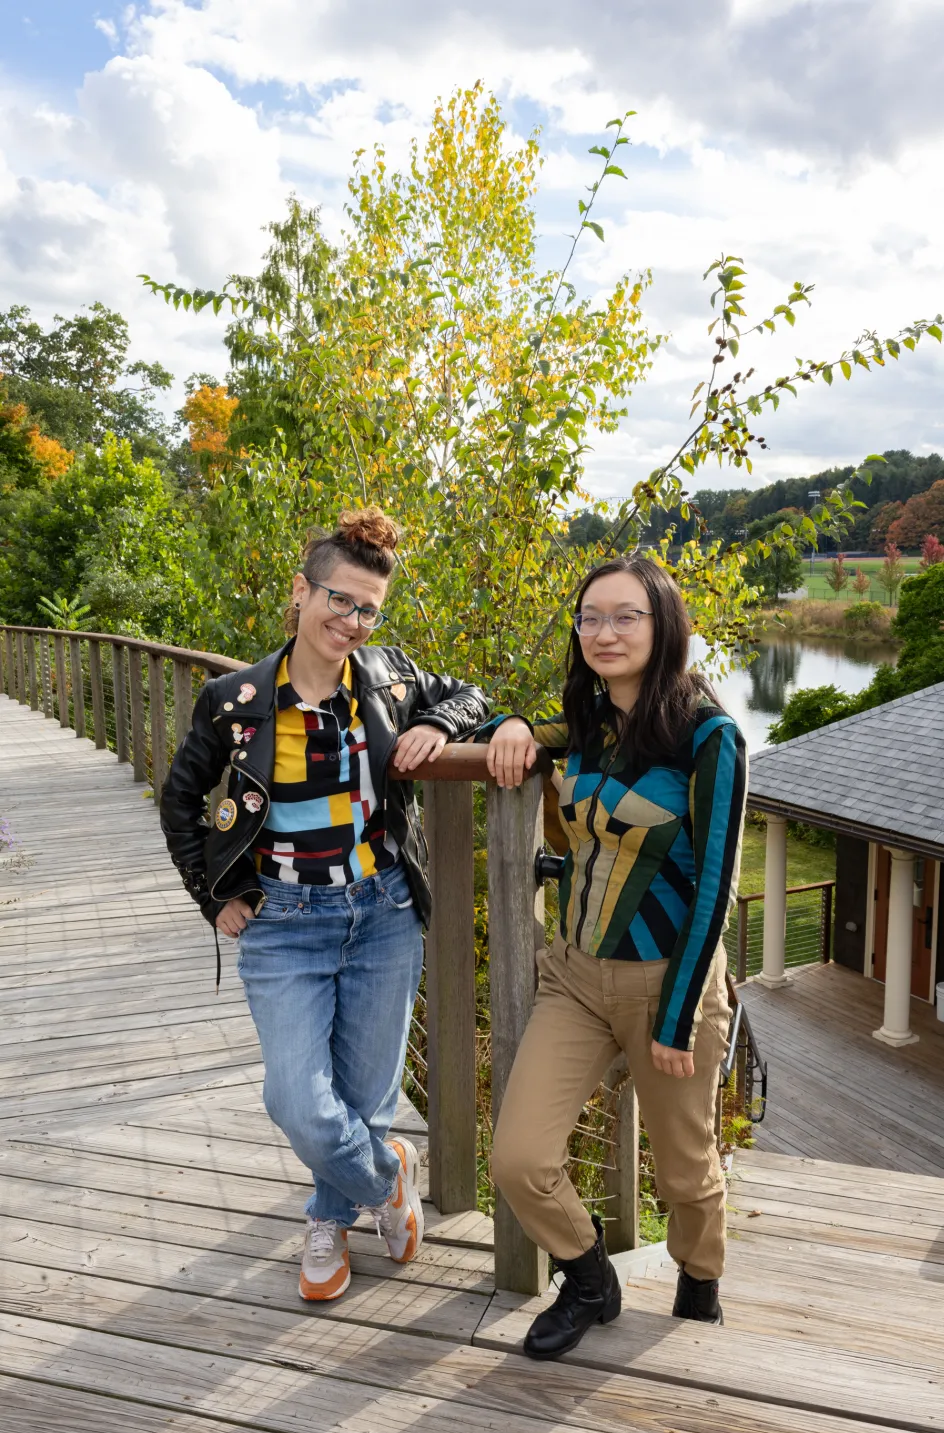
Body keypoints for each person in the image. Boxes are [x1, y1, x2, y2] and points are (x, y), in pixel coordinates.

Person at [160, 509, 488, 1302]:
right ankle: (386, 1181)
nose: (351, 621)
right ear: (302, 592)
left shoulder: (387, 678)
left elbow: (472, 696)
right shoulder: (234, 701)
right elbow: (179, 799)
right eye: (339, 601)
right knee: (297, 1102)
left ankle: (327, 1218)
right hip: (282, 923)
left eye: (368, 608)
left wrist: (438, 725)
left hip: (382, 914)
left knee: (365, 1093)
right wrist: (213, 897)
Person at [483, 554, 747, 1361]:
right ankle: (589, 1277)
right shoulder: (589, 721)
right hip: (577, 977)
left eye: (626, 616)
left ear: (664, 624)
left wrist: (675, 1020)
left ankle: (699, 1283)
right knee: (520, 1158)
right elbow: (557, 731)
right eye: (591, 616)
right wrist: (520, 728)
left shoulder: (712, 738)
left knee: (685, 1174)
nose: (605, 632)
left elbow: (716, 888)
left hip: (673, 986)